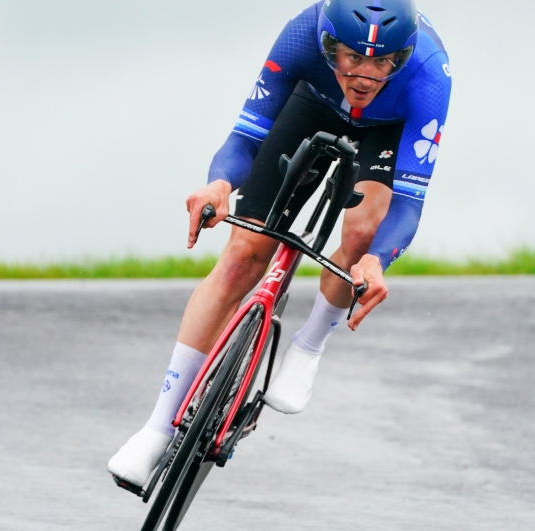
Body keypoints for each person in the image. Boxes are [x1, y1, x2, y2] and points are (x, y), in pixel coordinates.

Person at [108, 0, 452, 487]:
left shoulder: (430, 77)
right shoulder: (300, 36)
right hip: (313, 102)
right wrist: (220, 184)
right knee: (242, 258)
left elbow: (409, 204)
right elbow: (245, 137)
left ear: (404, 56)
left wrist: (376, 261)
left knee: (359, 232)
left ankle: (310, 343)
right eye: (351, 56)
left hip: (387, 129)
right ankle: (157, 428)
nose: (364, 74)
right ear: (327, 43)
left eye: (382, 62)